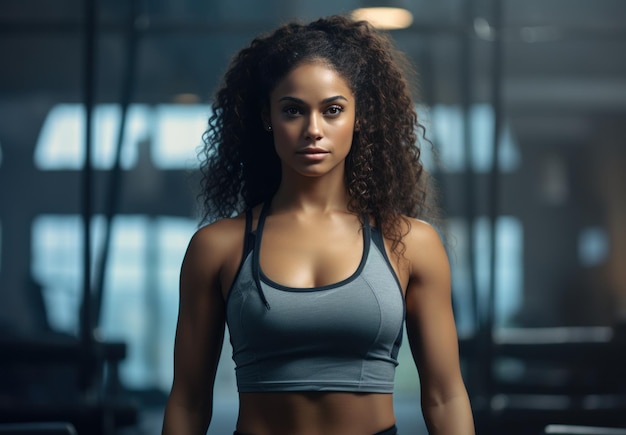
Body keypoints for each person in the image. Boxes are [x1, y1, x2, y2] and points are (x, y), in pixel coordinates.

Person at [161, 14, 474, 435]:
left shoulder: (411, 244)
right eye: (293, 110)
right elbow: (188, 400)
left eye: (332, 111)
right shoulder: (217, 247)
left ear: (358, 117)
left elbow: (445, 396)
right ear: (267, 117)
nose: (313, 130)